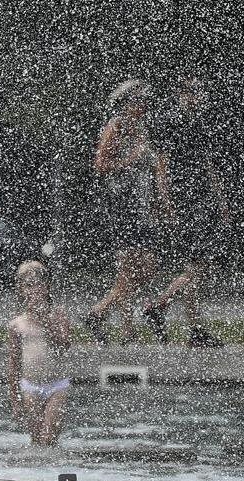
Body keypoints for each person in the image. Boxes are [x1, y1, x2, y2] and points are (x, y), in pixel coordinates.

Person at [84, 80, 174, 344]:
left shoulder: (141, 128)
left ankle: (98, 313)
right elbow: (100, 165)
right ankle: (127, 331)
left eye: (146, 101)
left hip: (140, 204)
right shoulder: (117, 125)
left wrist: (159, 200)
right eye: (140, 101)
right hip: (122, 204)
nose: (145, 105)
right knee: (129, 268)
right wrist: (130, 159)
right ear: (128, 103)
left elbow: (152, 167)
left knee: (146, 267)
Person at [142, 76, 226, 348]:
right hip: (185, 198)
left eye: (200, 92)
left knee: (195, 264)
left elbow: (207, 163)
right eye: (193, 92)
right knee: (198, 265)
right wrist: (167, 202)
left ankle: (194, 329)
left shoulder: (198, 122)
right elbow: (161, 165)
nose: (198, 97)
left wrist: (220, 198)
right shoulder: (171, 121)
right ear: (181, 93)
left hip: (202, 198)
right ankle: (161, 304)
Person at [7, 261, 72, 446]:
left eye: (38, 284)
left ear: (46, 287)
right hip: (30, 387)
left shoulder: (58, 315)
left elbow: (63, 347)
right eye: (28, 285)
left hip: (57, 386)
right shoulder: (16, 324)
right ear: (21, 290)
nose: (33, 289)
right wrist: (15, 399)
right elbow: (13, 363)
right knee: (36, 441)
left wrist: (46, 321)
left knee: (49, 439)